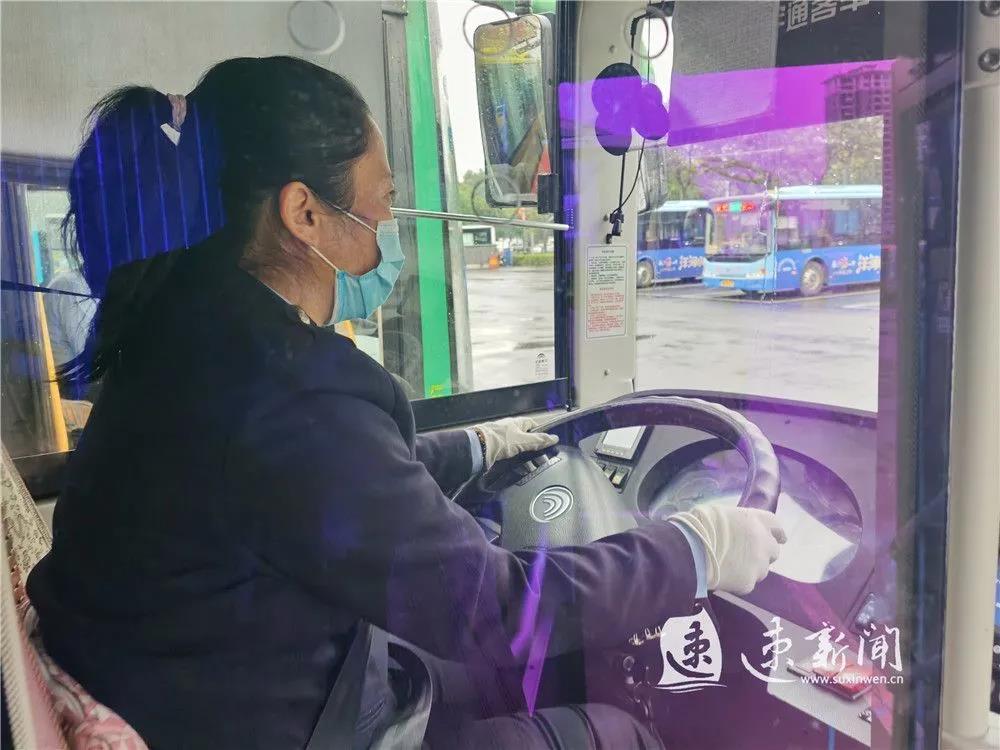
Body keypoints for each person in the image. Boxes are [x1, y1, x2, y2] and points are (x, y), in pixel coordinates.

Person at [26, 57, 786, 749]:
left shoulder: (175, 342)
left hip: (207, 687)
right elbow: (496, 612)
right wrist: (694, 550)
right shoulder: (286, 389)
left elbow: (321, 489)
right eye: (382, 198)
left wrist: (477, 447)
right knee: (618, 732)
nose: (389, 225)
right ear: (304, 213)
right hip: (275, 719)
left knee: (470, 677)